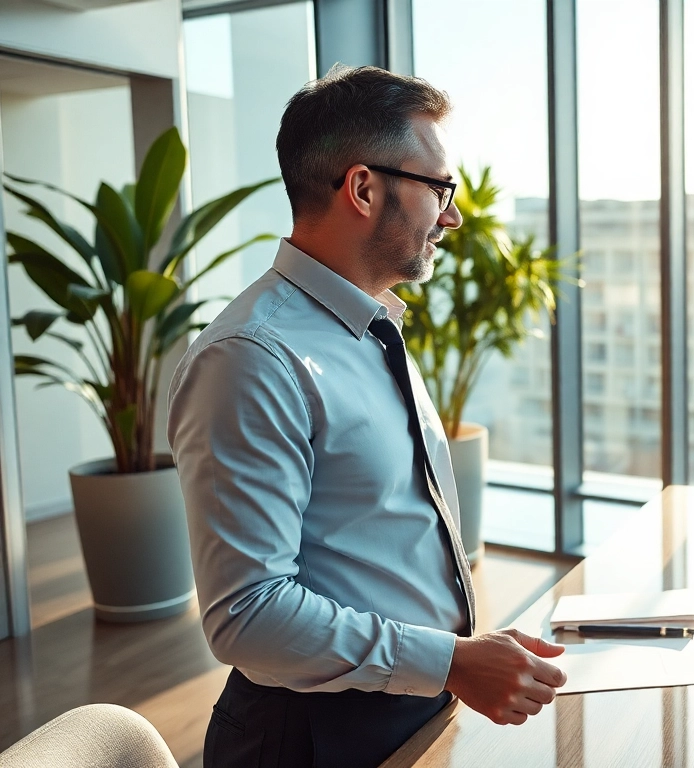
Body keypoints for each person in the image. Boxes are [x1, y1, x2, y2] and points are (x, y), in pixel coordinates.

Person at [167, 65, 566, 768]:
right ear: (362, 187)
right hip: (312, 739)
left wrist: (455, 660)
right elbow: (247, 615)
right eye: (441, 188)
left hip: (412, 702)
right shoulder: (253, 358)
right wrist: (449, 660)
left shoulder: (370, 326)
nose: (453, 215)